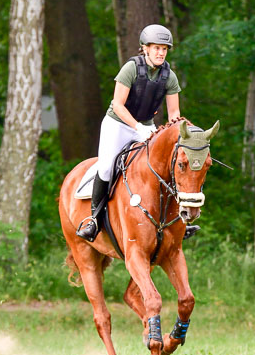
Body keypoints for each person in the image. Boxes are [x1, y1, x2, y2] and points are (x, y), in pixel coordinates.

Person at [76, 24, 200, 242]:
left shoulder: (169, 76)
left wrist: (180, 133)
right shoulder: (131, 69)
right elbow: (117, 105)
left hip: (146, 125)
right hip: (118, 124)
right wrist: (137, 127)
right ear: (145, 48)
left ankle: (178, 221)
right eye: (156, 48)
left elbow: (174, 113)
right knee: (106, 167)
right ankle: (94, 219)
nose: (161, 53)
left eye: (164, 49)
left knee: (168, 165)